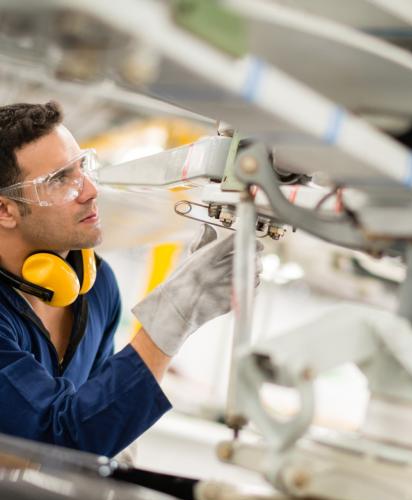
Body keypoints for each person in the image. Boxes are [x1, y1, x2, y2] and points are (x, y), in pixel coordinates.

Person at [0, 101, 259, 457]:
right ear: (4, 210)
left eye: (82, 167)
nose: (91, 189)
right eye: (59, 179)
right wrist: (172, 319)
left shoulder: (96, 285)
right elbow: (55, 439)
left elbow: (91, 418)